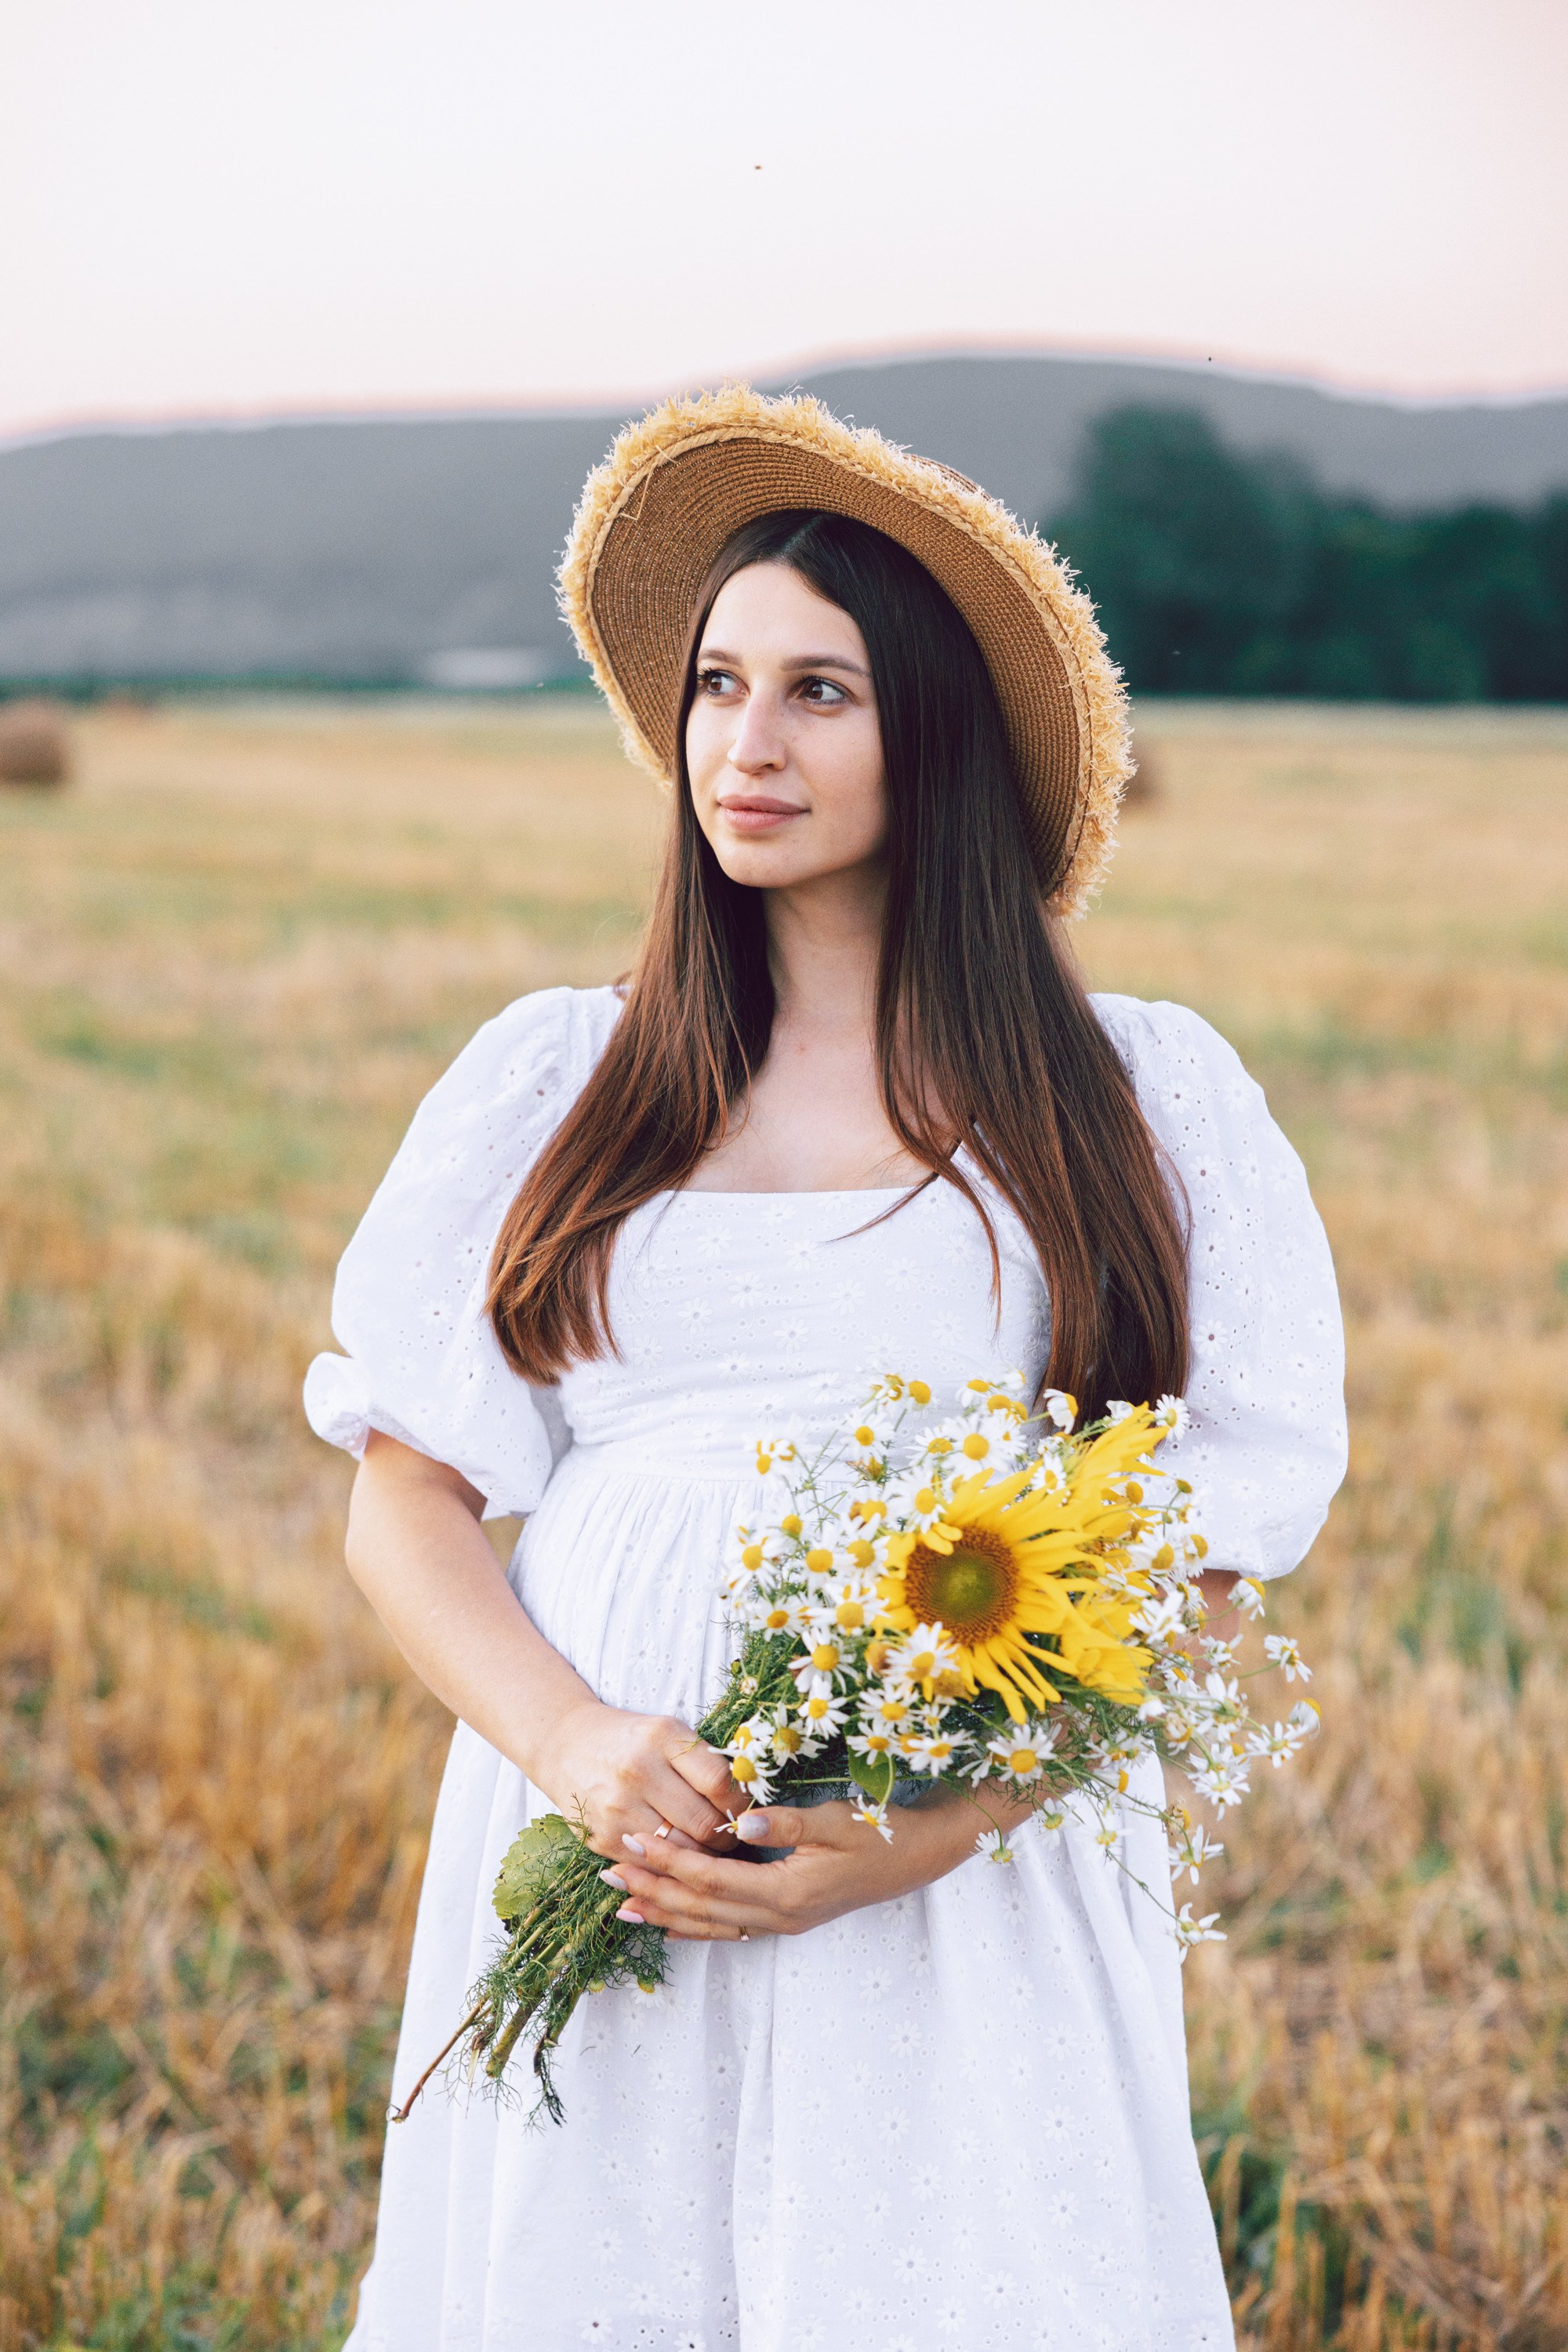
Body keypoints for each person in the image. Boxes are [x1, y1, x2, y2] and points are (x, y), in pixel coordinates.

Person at [305, 387, 1347, 2352]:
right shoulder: (562, 1073)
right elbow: (406, 1494)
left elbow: (1201, 1541)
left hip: (966, 1882)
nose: (742, 744)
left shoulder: (1138, 1093)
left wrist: (917, 1837)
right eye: (715, 686)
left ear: (930, 734)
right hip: (624, 1837)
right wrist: (580, 1751)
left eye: (818, 694)